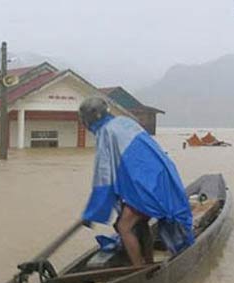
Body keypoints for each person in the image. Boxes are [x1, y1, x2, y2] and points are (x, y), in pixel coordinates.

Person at [78, 97, 194, 266]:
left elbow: (104, 178)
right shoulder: (124, 122)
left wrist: (91, 214)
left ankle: (138, 269)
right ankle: (148, 262)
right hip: (162, 177)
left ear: (89, 119)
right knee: (141, 222)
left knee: (124, 227)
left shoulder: (105, 132)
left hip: (145, 186)